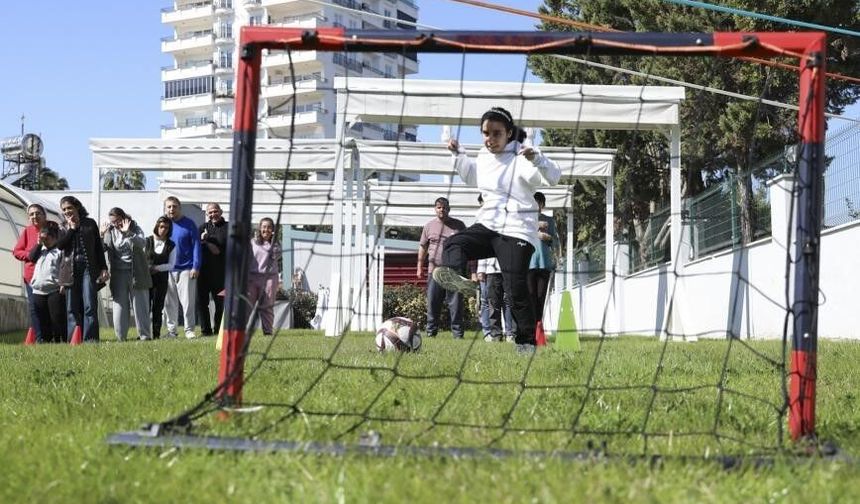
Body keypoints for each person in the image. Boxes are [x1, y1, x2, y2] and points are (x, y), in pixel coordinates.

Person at [433, 106, 561, 354]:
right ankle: (462, 282)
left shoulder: (521, 157)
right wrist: (458, 154)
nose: (490, 139)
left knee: (515, 290)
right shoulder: (483, 156)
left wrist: (538, 159)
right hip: (488, 225)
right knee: (453, 244)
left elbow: (554, 177)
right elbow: (472, 178)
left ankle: (526, 344)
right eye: (485, 133)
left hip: (515, 231)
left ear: (509, 133)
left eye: (496, 134)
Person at [56, 196, 109, 343]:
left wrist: (103, 267)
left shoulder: (90, 223)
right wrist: (71, 229)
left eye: (69, 208)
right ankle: (74, 339)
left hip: (88, 268)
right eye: (64, 209)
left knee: (89, 305)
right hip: (69, 270)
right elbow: (60, 245)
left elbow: (98, 248)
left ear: (77, 207)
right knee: (71, 307)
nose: (67, 211)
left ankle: (90, 339)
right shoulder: (61, 226)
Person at [417, 197, 466, 339]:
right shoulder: (428, 226)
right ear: (435, 209)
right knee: (433, 302)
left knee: (456, 304)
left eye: (444, 207)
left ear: (449, 209)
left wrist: (470, 270)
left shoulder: (459, 226)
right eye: (439, 207)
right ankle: (431, 332)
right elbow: (423, 247)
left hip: (454, 271)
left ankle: (457, 334)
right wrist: (419, 267)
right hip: (434, 271)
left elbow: (467, 246)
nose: (441, 210)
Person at [102, 207, 152, 341]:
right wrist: (101, 235)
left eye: (118, 221)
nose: (116, 224)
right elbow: (102, 249)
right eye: (113, 222)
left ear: (124, 218)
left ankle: (145, 336)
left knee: (140, 306)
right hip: (118, 273)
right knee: (119, 306)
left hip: (137, 272)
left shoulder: (135, 227)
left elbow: (143, 243)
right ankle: (120, 338)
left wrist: (129, 233)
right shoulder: (110, 232)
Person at [163, 196, 202, 339]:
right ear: (165, 208)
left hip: (186, 269)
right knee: (169, 303)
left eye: (174, 206)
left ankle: (189, 330)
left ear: (179, 208)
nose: (171, 209)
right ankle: (172, 331)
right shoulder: (163, 224)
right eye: (169, 207)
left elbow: (197, 246)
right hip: (167, 269)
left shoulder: (189, 224)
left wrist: (196, 266)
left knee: (188, 302)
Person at [13, 203, 49, 342]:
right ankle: (40, 339)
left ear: (44, 215)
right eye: (31, 214)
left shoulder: (53, 228)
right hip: (32, 277)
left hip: (51, 276)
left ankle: (53, 337)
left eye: (38, 213)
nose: (35, 216)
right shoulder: (27, 231)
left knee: (51, 308)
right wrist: (29, 255)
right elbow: (16, 251)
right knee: (35, 308)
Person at [28, 222, 66, 343]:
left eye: (47, 237)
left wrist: (63, 284)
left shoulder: (60, 251)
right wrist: (39, 244)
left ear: (54, 237)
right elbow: (31, 258)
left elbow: (64, 268)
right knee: (42, 318)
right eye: (42, 237)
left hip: (54, 289)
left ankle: (59, 340)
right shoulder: (40, 249)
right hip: (38, 290)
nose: (44, 240)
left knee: (56, 318)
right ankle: (46, 340)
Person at [528, 191, 560, 328]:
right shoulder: (525, 220)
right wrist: (535, 230)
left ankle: (538, 326)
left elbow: (555, 241)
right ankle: (529, 326)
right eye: (534, 203)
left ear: (543, 205)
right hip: (528, 264)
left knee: (541, 297)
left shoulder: (549, 221)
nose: (537, 205)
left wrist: (547, 237)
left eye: (539, 203)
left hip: (544, 264)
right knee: (530, 297)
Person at [247, 218, 281, 336]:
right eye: (264, 227)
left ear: (272, 230)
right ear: (260, 228)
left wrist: (272, 241)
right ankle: (241, 330)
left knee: (267, 307)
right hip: (252, 278)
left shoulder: (276, 244)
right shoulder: (252, 242)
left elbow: (275, 256)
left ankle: (267, 331)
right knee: (247, 305)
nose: (266, 229)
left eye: (269, 227)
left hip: (269, 279)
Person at [198, 203, 227, 336]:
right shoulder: (202, 228)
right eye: (210, 212)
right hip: (203, 273)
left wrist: (207, 240)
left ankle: (218, 330)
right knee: (202, 303)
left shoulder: (228, 228)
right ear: (207, 214)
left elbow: (218, 249)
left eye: (215, 211)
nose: (213, 214)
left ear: (220, 212)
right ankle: (206, 331)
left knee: (220, 304)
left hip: (221, 273)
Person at [147, 216, 176, 339]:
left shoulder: (171, 245)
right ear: (157, 226)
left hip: (161, 280)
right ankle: (144, 333)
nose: (163, 229)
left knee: (158, 308)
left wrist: (156, 268)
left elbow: (171, 264)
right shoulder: (147, 241)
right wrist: (148, 268)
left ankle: (156, 335)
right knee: (145, 307)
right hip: (146, 279)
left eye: (166, 227)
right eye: (161, 226)